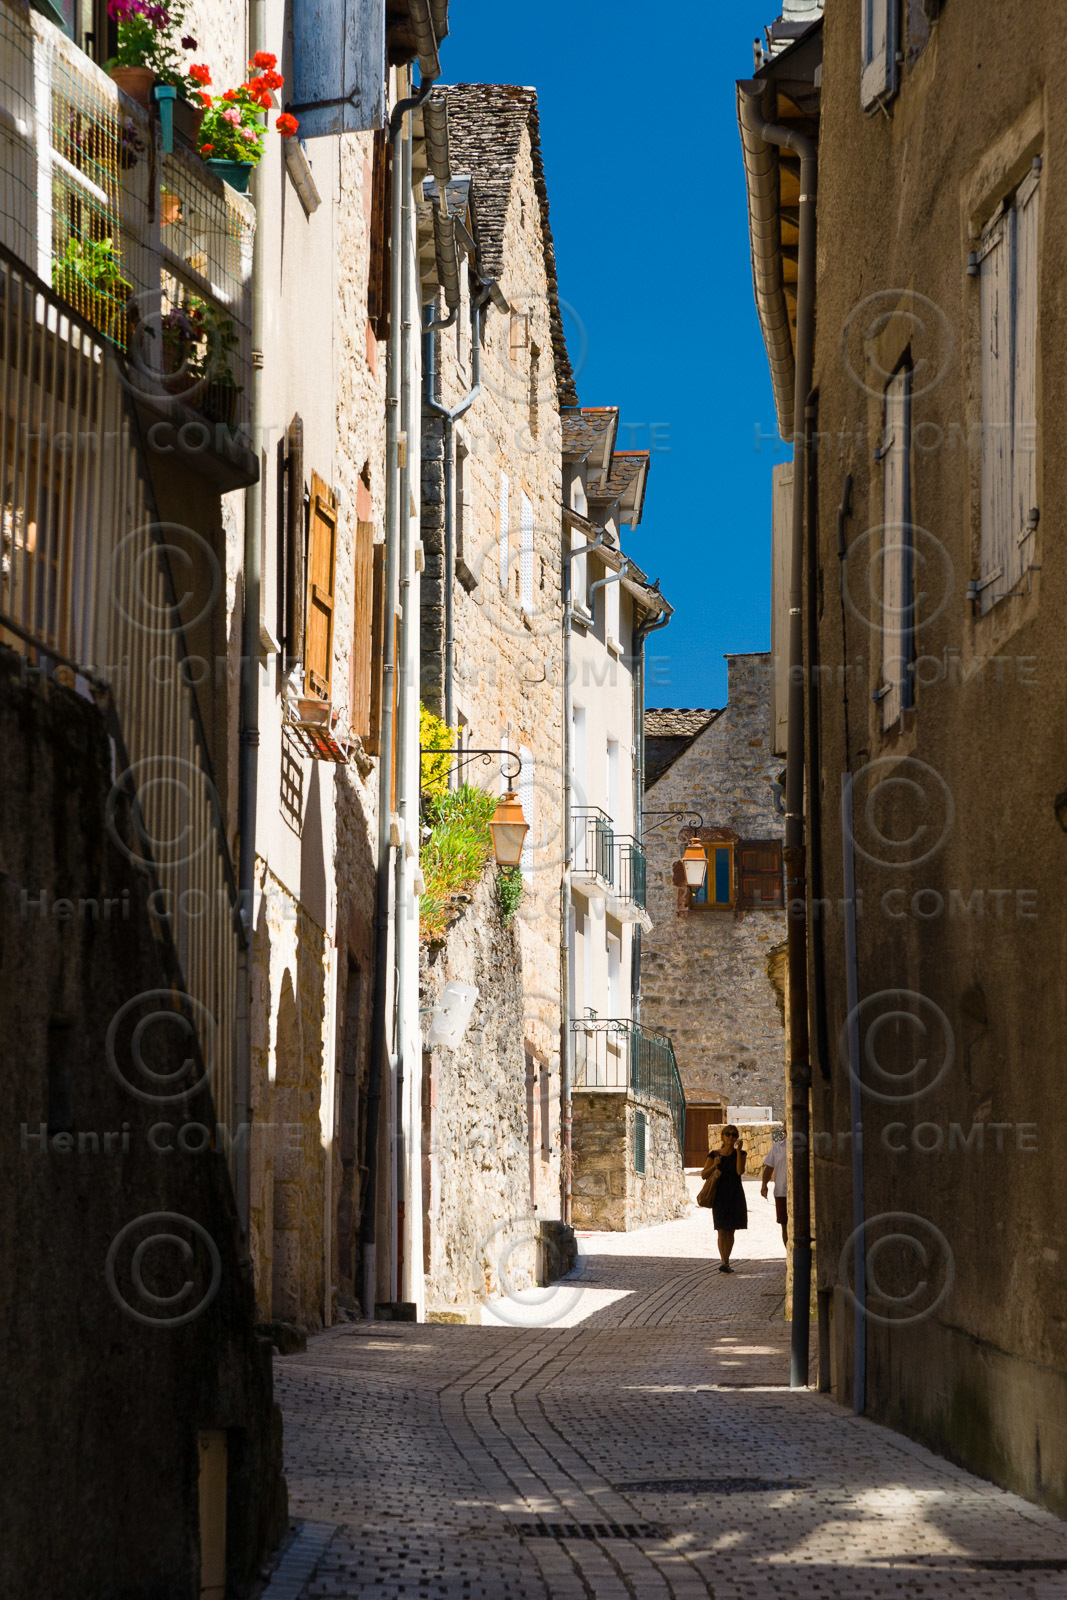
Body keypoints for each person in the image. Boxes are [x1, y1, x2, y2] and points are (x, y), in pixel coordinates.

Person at [703, 1124, 747, 1272]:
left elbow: (740, 1171)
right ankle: (724, 1261)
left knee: (731, 1230)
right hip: (719, 1195)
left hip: (735, 1194)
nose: (730, 1137)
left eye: (734, 1135)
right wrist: (714, 1165)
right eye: (728, 1134)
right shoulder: (714, 1155)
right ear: (722, 1136)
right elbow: (704, 1175)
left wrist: (739, 1152)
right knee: (721, 1229)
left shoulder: (741, 1154)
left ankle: (727, 1260)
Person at [761, 1128, 788, 1246]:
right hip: (782, 1192)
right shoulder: (777, 1147)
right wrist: (764, 1185)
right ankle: (789, 1256)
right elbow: (769, 1167)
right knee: (785, 1225)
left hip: (800, 1193)